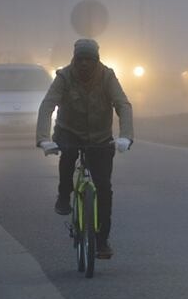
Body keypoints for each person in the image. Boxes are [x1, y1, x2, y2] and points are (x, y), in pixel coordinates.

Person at [36, 38, 133, 259]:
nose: (84, 64)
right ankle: (63, 194)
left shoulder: (107, 76)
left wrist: (126, 137)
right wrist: (44, 139)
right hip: (68, 131)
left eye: (90, 60)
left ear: (97, 60)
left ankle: (102, 241)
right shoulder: (64, 77)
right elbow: (47, 105)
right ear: (74, 60)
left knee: (104, 188)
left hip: (100, 138)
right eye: (80, 59)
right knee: (68, 155)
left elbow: (123, 105)